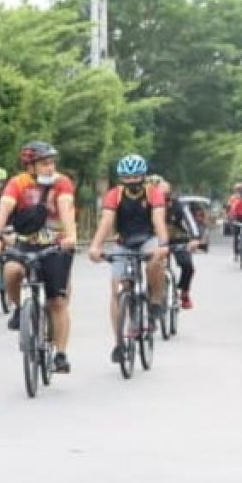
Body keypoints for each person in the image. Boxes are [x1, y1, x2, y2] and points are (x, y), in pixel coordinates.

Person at [0, 140, 78, 373]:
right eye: (45, 163)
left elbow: (66, 210)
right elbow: (3, 210)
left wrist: (70, 236)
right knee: (11, 271)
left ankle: (60, 354)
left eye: (52, 163)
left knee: (57, 302)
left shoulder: (62, 182)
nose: (50, 167)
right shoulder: (17, 183)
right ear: (31, 166)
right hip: (26, 244)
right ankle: (19, 307)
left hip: (56, 246)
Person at [88, 155, 171, 362]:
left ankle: (154, 302)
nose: (133, 181)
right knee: (117, 289)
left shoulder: (154, 193)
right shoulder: (113, 195)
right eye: (128, 178)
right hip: (123, 241)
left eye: (136, 177)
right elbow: (106, 221)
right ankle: (119, 343)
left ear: (143, 176)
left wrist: (163, 245)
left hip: (147, 238)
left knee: (155, 263)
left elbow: (158, 221)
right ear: (121, 178)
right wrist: (95, 246)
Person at [150, 175, 202, 309]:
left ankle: (184, 292)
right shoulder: (147, 205)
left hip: (178, 239)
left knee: (187, 265)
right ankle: (152, 298)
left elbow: (190, 221)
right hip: (156, 242)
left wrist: (195, 238)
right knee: (153, 268)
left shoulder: (178, 205)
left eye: (165, 195)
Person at [227, 183, 242, 257]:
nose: (239, 190)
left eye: (240, 188)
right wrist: (231, 217)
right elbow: (232, 209)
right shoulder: (234, 200)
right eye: (237, 188)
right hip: (237, 220)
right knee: (235, 236)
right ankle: (236, 252)